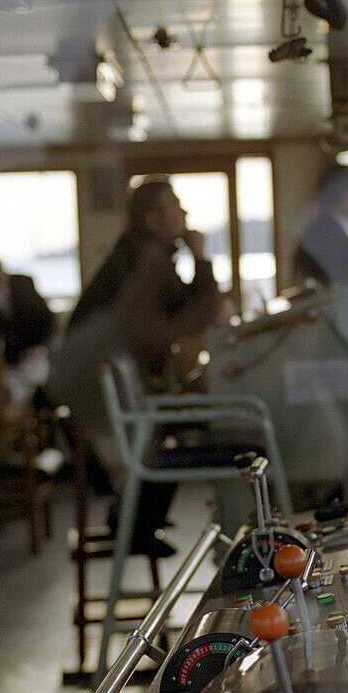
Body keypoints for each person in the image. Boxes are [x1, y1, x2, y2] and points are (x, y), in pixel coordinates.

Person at [46, 177, 231, 555]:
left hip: (89, 379)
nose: (185, 214)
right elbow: (192, 313)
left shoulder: (141, 251)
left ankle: (135, 520)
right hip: (92, 387)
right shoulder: (146, 257)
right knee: (174, 427)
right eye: (176, 207)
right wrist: (201, 257)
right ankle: (136, 524)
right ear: (153, 220)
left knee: (173, 424)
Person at [293, 164, 348, 484]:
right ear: (345, 196)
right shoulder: (332, 236)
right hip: (341, 351)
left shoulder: (323, 232)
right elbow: (340, 300)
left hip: (338, 349)